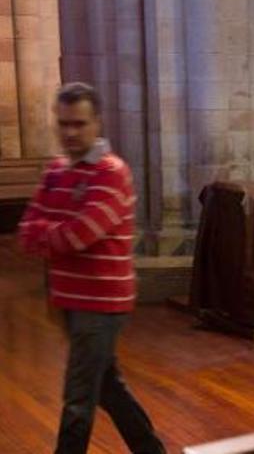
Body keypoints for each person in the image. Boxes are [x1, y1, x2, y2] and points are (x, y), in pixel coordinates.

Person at [17, 82, 165, 454]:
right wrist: (54, 231)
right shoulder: (55, 171)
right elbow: (26, 229)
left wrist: (49, 231)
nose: (70, 132)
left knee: (78, 398)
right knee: (108, 389)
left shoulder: (111, 173)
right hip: (67, 296)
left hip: (101, 300)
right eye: (63, 123)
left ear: (97, 122)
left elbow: (80, 234)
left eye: (79, 124)